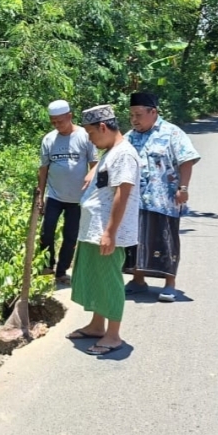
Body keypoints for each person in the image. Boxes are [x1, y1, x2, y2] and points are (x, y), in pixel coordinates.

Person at [67, 104, 140, 355]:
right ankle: (97, 326)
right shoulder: (112, 152)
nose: (90, 139)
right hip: (94, 229)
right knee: (96, 277)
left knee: (109, 281)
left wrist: (110, 232)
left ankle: (113, 335)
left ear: (103, 127)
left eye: (91, 133)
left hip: (108, 231)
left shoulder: (124, 154)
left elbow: (123, 193)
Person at [123, 91, 201, 302]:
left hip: (165, 201)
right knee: (136, 241)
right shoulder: (129, 137)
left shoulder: (172, 133)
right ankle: (138, 280)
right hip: (136, 201)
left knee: (166, 242)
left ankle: (169, 285)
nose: (134, 120)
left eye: (138, 115)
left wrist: (183, 188)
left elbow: (186, 160)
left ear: (153, 112)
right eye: (131, 115)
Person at [37, 99, 98, 284]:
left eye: (60, 121)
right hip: (54, 196)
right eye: (53, 122)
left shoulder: (85, 136)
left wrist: (91, 184)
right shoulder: (49, 139)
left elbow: (95, 164)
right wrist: (40, 196)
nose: (57, 125)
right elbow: (43, 169)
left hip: (78, 199)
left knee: (70, 236)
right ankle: (47, 266)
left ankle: (62, 272)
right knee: (46, 232)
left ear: (70, 116)